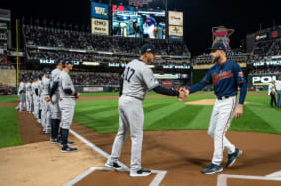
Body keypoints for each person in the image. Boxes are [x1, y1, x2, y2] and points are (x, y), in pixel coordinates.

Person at [105, 43, 186, 177]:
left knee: (122, 132)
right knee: (137, 136)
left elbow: (121, 80)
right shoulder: (144, 68)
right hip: (133, 102)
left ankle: (112, 160)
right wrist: (176, 93)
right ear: (146, 53)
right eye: (153, 53)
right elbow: (156, 88)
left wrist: (122, 96)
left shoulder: (130, 63)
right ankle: (135, 168)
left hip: (123, 99)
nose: (154, 56)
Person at [183, 41, 247, 175]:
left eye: (213, 51)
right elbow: (201, 83)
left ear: (222, 51)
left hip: (230, 101)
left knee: (219, 133)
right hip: (218, 102)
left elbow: (243, 85)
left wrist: (240, 105)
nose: (211, 53)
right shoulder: (213, 69)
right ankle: (233, 150)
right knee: (211, 131)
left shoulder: (233, 66)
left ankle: (216, 163)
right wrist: (189, 91)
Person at [57, 59, 79, 152]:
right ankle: (65, 146)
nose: (72, 65)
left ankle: (62, 141)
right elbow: (66, 89)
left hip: (63, 100)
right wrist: (75, 94)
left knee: (63, 122)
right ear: (66, 64)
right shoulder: (64, 75)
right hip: (67, 101)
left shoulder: (62, 74)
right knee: (66, 123)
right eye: (71, 63)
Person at [47, 58, 63, 144]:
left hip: (54, 95)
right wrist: (50, 95)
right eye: (62, 63)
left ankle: (56, 136)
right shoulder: (58, 72)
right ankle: (54, 137)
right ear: (59, 64)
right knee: (56, 117)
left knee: (56, 116)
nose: (63, 64)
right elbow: (54, 85)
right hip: (56, 96)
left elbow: (51, 86)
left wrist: (50, 95)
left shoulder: (53, 72)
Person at [41, 68, 51, 134]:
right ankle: (47, 128)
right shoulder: (47, 80)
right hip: (46, 96)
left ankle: (44, 126)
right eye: (47, 73)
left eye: (49, 73)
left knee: (44, 111)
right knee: (48, 112)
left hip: (43, 95)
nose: (48, 74)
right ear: (44, 73)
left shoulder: (43, 78)